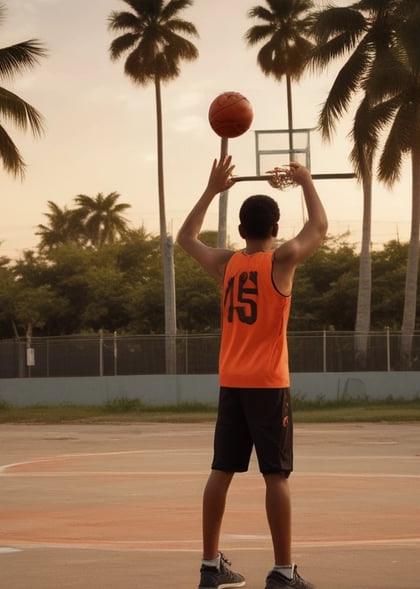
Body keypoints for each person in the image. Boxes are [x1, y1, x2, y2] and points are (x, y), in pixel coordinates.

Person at [177, 154, 327, 589]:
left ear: (241, 230)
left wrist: (211, 190)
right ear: (275, 228)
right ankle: (283, 572)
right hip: (267, 383)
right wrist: (305, 181)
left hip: (232, 382)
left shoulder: (226, 263)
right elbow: (318, 227)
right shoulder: (281, 261)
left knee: (221, 470)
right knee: (275, 475)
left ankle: (210, 566)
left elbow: (186, 238)